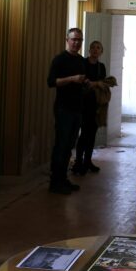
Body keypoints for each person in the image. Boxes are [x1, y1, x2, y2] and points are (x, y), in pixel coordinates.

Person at [46, 28, 87, 195]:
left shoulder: (81, 61)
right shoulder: (60, 59)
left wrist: (87, 83)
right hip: (64, 108)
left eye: (79, 40)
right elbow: (51, 82)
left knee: (69, 146)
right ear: (67, 40)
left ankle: (63, 179)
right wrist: (72, 79)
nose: (76, 43)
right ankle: (55, 182)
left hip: (78, 108)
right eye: (73, 39)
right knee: (61, 145)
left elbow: (82, 81)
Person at [72, 40, 107, 175]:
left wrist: (94, 84)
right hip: (83, 103)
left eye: (98, 48)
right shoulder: (83, 63)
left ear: (101, 51)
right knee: (84, 134)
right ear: (89, 50)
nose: (95, 50)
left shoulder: (101, 67)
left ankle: (88, 161)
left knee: (92, 133)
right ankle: (78, 162)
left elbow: (103, 83)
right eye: (93, 47)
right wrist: (94, 83)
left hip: (96, 104)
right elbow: (82, 81)